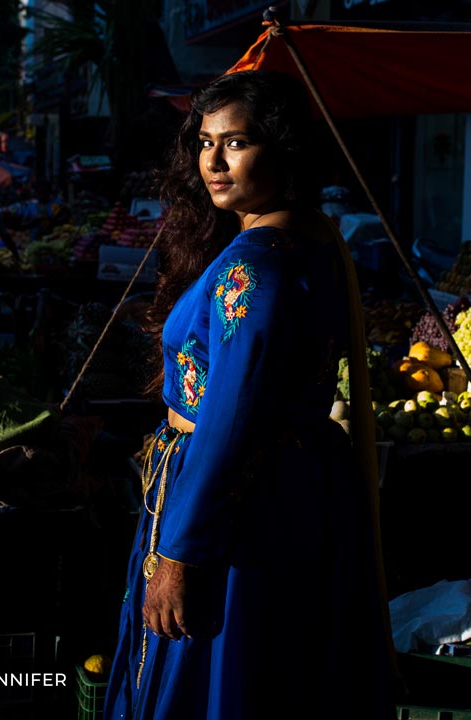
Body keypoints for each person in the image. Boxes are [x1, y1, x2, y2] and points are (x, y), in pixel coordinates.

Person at [102, 70, 396, 720]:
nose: (212, 161)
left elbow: (231, 422)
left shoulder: (255, 265)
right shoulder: (312, 239)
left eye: (235, 143)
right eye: (205, 142)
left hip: (237, 513)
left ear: (284, 149)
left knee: (220, 676)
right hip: (287, 490)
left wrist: (179, 552)